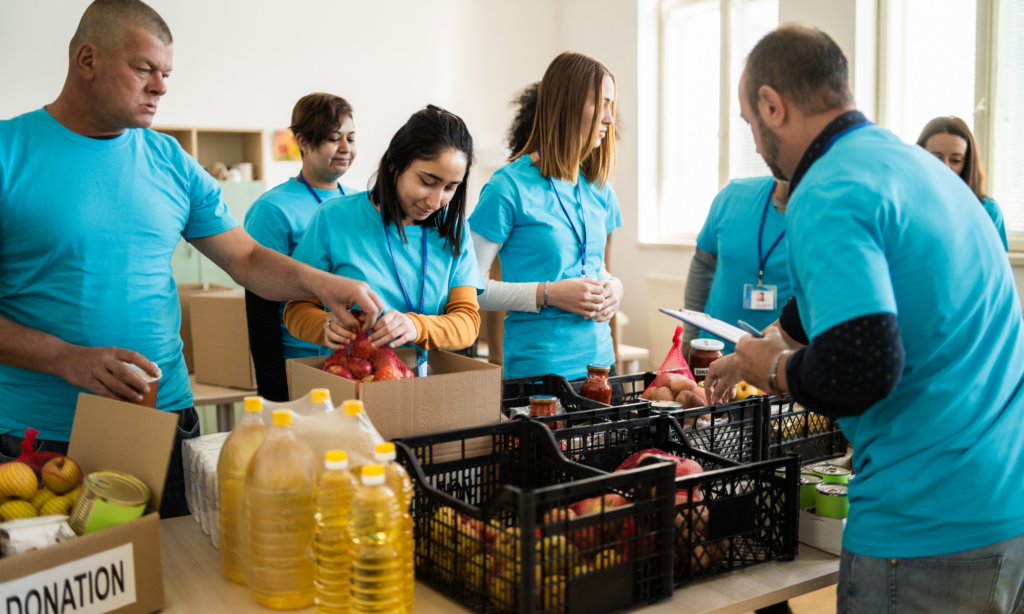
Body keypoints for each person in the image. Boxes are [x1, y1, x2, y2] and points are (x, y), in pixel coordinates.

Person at [0, 0, 383, 518]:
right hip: (41, 439)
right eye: (144, 70)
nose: (160, 86)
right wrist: (65, 358)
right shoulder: (10, 153)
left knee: (183, 585)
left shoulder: (170, 161)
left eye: (166, 73)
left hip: (164, 420)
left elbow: (246, 260)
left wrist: (321, 284)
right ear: (87, 60)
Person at [705, 25, 1024, 613]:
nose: (754, 141)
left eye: (750, 121)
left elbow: (864, 368)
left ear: (774, 105)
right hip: (1003, 501)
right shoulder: (911, 169)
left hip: (923, 522)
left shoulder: (826, 189)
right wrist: (770, 339)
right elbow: (870, 291)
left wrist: (773, 367)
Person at [283, 106, 483, 360]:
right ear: (393, 165)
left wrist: (416, 326)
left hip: (430, 386)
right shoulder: (333, 218)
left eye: (450, 188)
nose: (435, 201)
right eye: (427, 182)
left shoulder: (455, 230)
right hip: (351, 381)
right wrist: (324, 325)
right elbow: (296, 308)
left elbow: (467, 323)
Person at [470, 52, 624, 382]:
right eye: (603, 104)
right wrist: (549, 294)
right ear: (567, 106)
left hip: (601, 368)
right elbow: (472, 287)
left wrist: (615, 287)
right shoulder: (507, 187)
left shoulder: (599, 188)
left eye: (613, 105)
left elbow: (595, 266)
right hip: (540, 374)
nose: (610, 119)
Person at [244, 93, 360, 401]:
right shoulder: (272, 208)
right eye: (334, 139)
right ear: (303, 142)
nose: (346, 148)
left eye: (351, 137)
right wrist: (273, 384)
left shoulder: (360, 203)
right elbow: (259, 304)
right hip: (301, 366)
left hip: (357, 362)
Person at [683, 177, 792, 358]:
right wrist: (689, 336)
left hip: (781, 364)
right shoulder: (732, 196)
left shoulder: (828, 217)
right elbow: (702, 265)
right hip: (712, 352)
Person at [917, 116, 1008, 250]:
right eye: (935, 157)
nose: (945, 167)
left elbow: (996, 268)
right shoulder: (902, 204)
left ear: (967, 164)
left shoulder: (988, 210)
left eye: (955, 160)